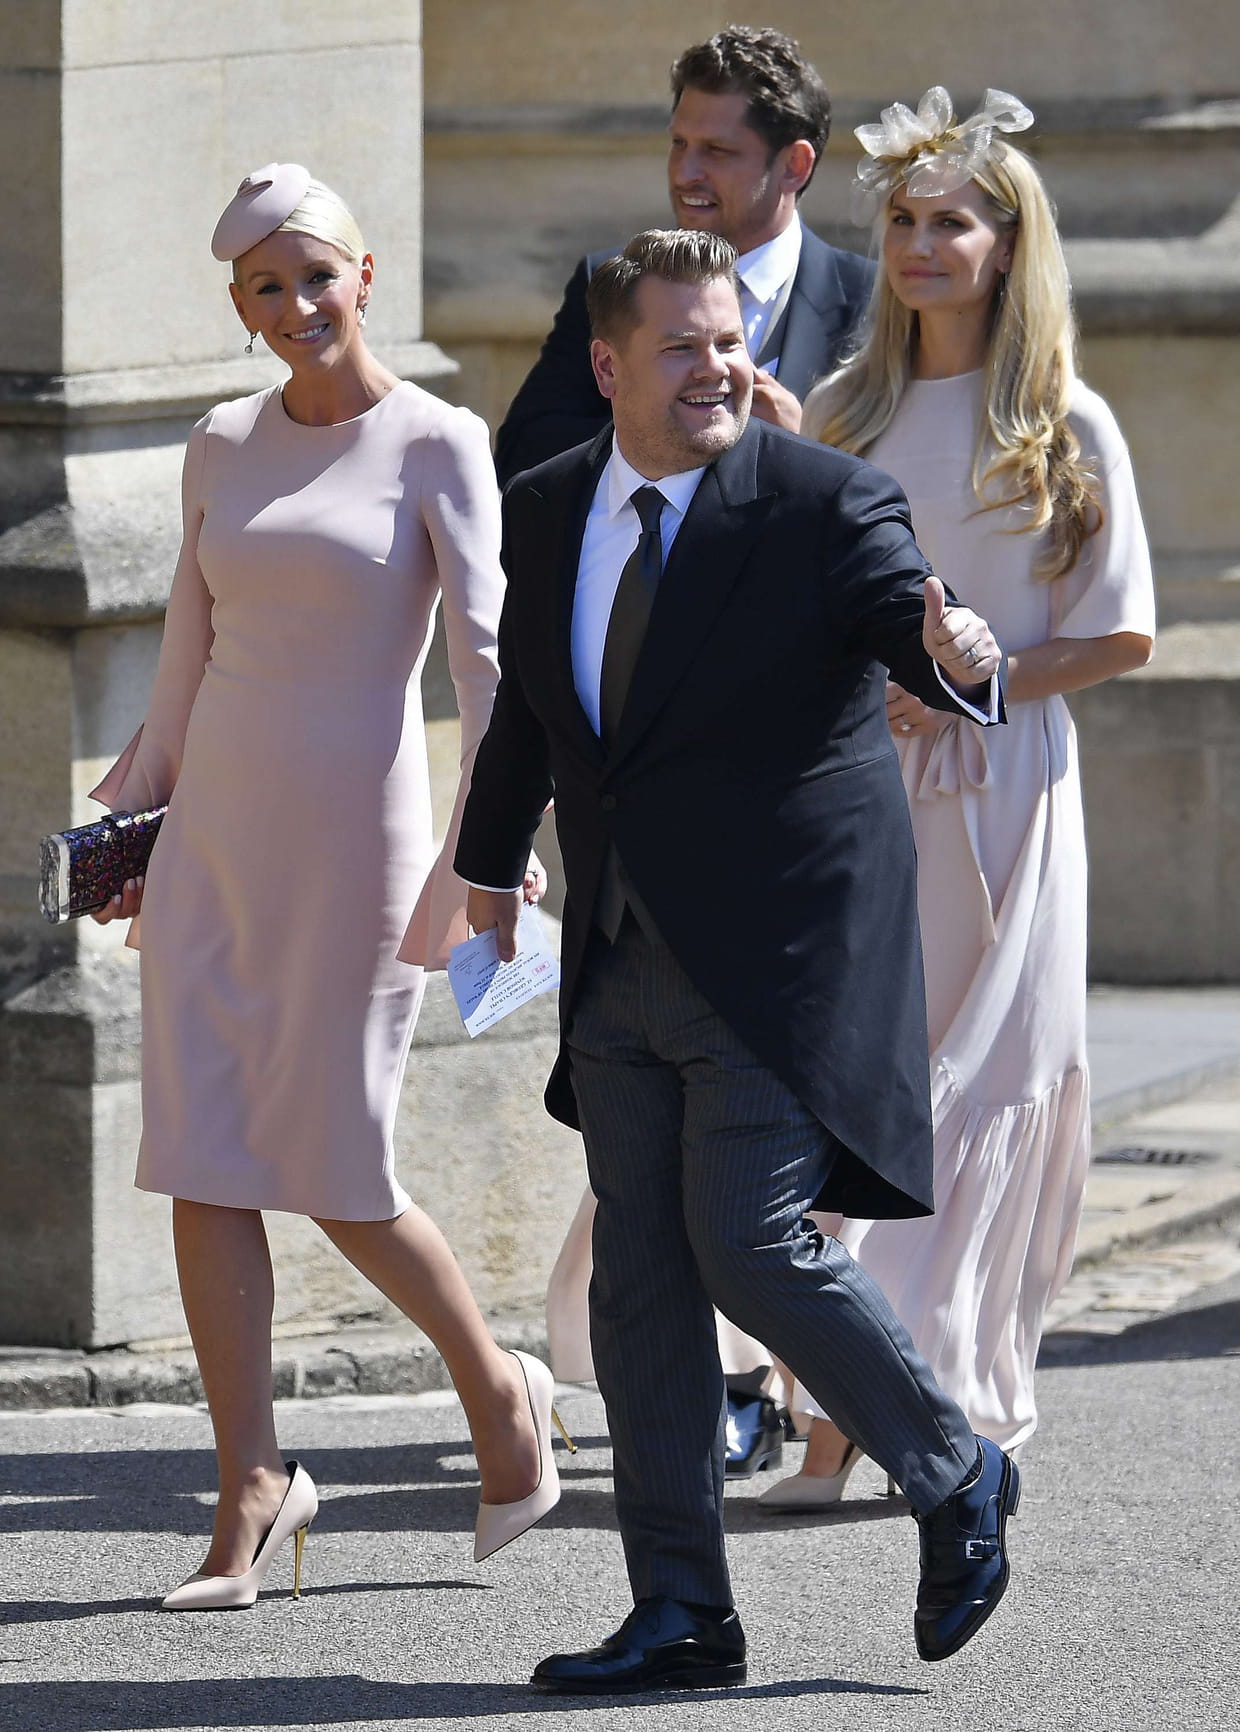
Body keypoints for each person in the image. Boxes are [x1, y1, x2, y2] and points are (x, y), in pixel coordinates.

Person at [458, 226, 1023, 1693]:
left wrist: (958, 659)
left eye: (729, 339)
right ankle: (680, 1613)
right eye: (682, 346)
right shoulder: (548, 503)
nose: (719, 366)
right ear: (608, 367)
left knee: (750, 1238)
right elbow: (529, 708)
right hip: (615, 949)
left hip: (775, 954)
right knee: (639, 1279)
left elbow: (915, 631)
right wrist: (485, 869)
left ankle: (953, 1466)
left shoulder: (825, 501)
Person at [90, 164, 566, 1609]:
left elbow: (491, 666)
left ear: (365, 277)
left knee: (340, 1167)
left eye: (316, 276)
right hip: (215, 844)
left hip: (364, 846)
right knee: (200, 1157)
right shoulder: (219, 444)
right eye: (265, 287)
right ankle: (252, 1481)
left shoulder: (438, 440)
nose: (296, 305)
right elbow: (184, 657)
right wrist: (130, 827)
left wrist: (497, 846)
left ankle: (497, 1389)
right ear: (239, 307)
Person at [761, 88, 1155, 1512]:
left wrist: (966, 689)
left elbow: (1121, 632)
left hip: (1004, 788)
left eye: (953, 223)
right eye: (905, 221)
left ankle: (951, 1401)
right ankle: (831, 1418)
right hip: (861, 786)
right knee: (854, 1084)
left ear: (1007, 246)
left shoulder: (1066, 422)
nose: (922, 245)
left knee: (981, 1077)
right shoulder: (843, 410)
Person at [494, 24, 873, 484]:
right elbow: (525, 453)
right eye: (679, 144)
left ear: (794, 165)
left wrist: (805, 446)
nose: (684, 172)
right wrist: (676, 430)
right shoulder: (611, 280)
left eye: (717, 151)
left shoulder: (874, 299)